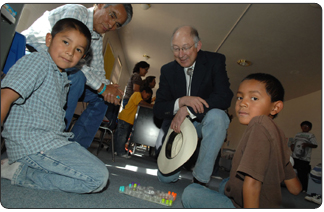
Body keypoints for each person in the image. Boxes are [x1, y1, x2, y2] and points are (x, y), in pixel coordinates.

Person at [1, 18, 109, 193]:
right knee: (97, 178)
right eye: (65, 42)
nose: (69, 52)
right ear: (49, 39)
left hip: (49, 141)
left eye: (78, 50)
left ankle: (22, 167)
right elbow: (4, 98)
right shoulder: (38, 61)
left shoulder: (62, 77)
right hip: (31, 144)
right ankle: (20, 172)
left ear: (82, 57)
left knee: (94, 172)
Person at [182, 73, 302, 208]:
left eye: (254, 98)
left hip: (248, 205)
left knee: (191, 192)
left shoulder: (259, 124)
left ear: (275, 107)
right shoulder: (278, 134)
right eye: (240, 97)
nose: (243, 103)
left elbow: (253, 184)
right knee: (227, 183)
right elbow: (295, 189)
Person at [21, 4, 133, 149]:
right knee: (77, 78)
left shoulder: (97, 37)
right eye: (112, 15)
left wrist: (110, 90)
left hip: (61, 70)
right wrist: (102, 87)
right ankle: (52, 141)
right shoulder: (77, 12)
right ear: (99, 4)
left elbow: (98, 71)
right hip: (33, 55)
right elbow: (68, 57)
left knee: (101, 98)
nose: (111, 25)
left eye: (117, 24)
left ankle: (75, 149)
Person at [153, 25, 233, 186]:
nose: (181, 55)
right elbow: (159, 109)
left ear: (198, 46)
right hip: (178, 125)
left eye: (185, 48)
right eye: (176, 49)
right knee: (165, 178)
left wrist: (188, 110)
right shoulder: (167, 70)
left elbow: (225, 97)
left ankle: (200, 179)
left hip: (204, 120)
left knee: (219, 117)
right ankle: (174, 168)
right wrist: (182, 101)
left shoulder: (215, 61)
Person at [115, 86, 153, 158]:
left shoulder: (138, 96)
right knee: (122, 137)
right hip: (125, 118)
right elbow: (141, 103)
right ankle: (120, 152)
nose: (146, 98)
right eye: (147, 96)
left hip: (126, 119)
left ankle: (113, 150)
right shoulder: (137, 94)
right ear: (144, 91)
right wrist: (152, 106)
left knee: (118, 135)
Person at [291, 121, 318, 192]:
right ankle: (295, 186)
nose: (305, 127)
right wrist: (292, 146)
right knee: (293, 172)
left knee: (303, 173)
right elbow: (293, 142)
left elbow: (315, 145)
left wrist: (307, 144)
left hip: (304, 158)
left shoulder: (311, 135)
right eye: (303, 126)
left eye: (307, 126)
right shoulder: (298, 134)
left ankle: (304, 188)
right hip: (295, 156)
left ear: (310, 128)